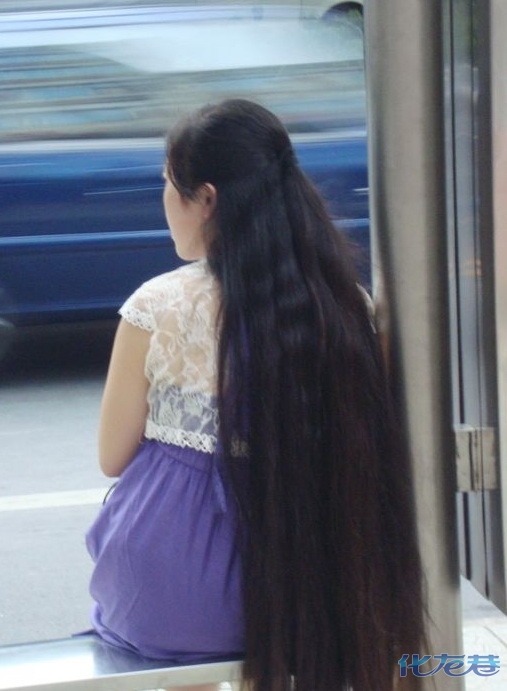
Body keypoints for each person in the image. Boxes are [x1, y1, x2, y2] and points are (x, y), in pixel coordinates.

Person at [86, 99, 426, 691]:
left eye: (167, 185)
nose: (163, 202)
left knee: (175, 638)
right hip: (315, 586)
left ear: (207, 197)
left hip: (175, 591)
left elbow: (112, 456)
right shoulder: (348, 306)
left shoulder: (157, 306)